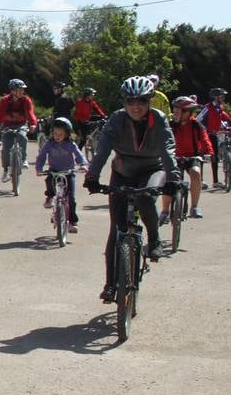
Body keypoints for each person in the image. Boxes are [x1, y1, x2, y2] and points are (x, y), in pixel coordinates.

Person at [83, 76, 180, 303]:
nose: (135, 107)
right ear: (124, 102)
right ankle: (109, 284)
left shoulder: (159, 119)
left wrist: (173, 178)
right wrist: (92, 176)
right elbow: (103, 149)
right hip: (123, 170)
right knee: (116, 228)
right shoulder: (117, 119)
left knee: (146, 198)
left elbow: (168, 149)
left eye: (141, 101)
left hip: (151, 169)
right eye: (130, 102)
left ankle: (154, 241)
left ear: (149, 102)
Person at [163, 96, 213, 220]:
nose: (175, 113)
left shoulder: (196, 125)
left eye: (179, 110)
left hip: (192, 156)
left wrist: (209, 152)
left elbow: (205, 139)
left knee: (196, 173)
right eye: (175, 110)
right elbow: (161, 139)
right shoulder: (170, 125)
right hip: (173, 157)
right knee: (169, 181)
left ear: (188, 113)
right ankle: (165, 211)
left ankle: (194, 207)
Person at [34, 117, 87, 232]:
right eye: (55, 133)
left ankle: (72, 222)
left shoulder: (71, 144)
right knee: (49, 180)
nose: (57, 136)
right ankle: (49, 197)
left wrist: (83, 164)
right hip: (54, 171)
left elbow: (79, 155)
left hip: (69, 172)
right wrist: (39, 168)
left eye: (60, 134)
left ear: (67, 134)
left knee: (71, 198)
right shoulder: (49, 144)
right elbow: (41, 157)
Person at [0, 78, 38, 184]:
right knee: (6, 149)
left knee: (22, 136)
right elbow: (0, 114)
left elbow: (30, 112)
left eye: (23, 89)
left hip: (21, 124)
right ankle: (5, 170)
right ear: (13, 91)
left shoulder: (26, 100)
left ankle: (23, 159)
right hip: (7, 125)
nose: (22, 91)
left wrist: (33, 124)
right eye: (20, 89)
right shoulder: (5, 100)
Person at [196, 88, 231, 187]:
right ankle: (200, 181)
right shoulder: (208, 108)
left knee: (215, 158)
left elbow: (223, 120)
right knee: (202, 158)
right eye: (222, 96)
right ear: (215, 97)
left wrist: (229, 127)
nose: (223, 97)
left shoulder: (219, 108)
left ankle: (215, 181)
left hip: (213, 135)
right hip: (204, 135)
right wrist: (205, 129)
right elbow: (198, 120)